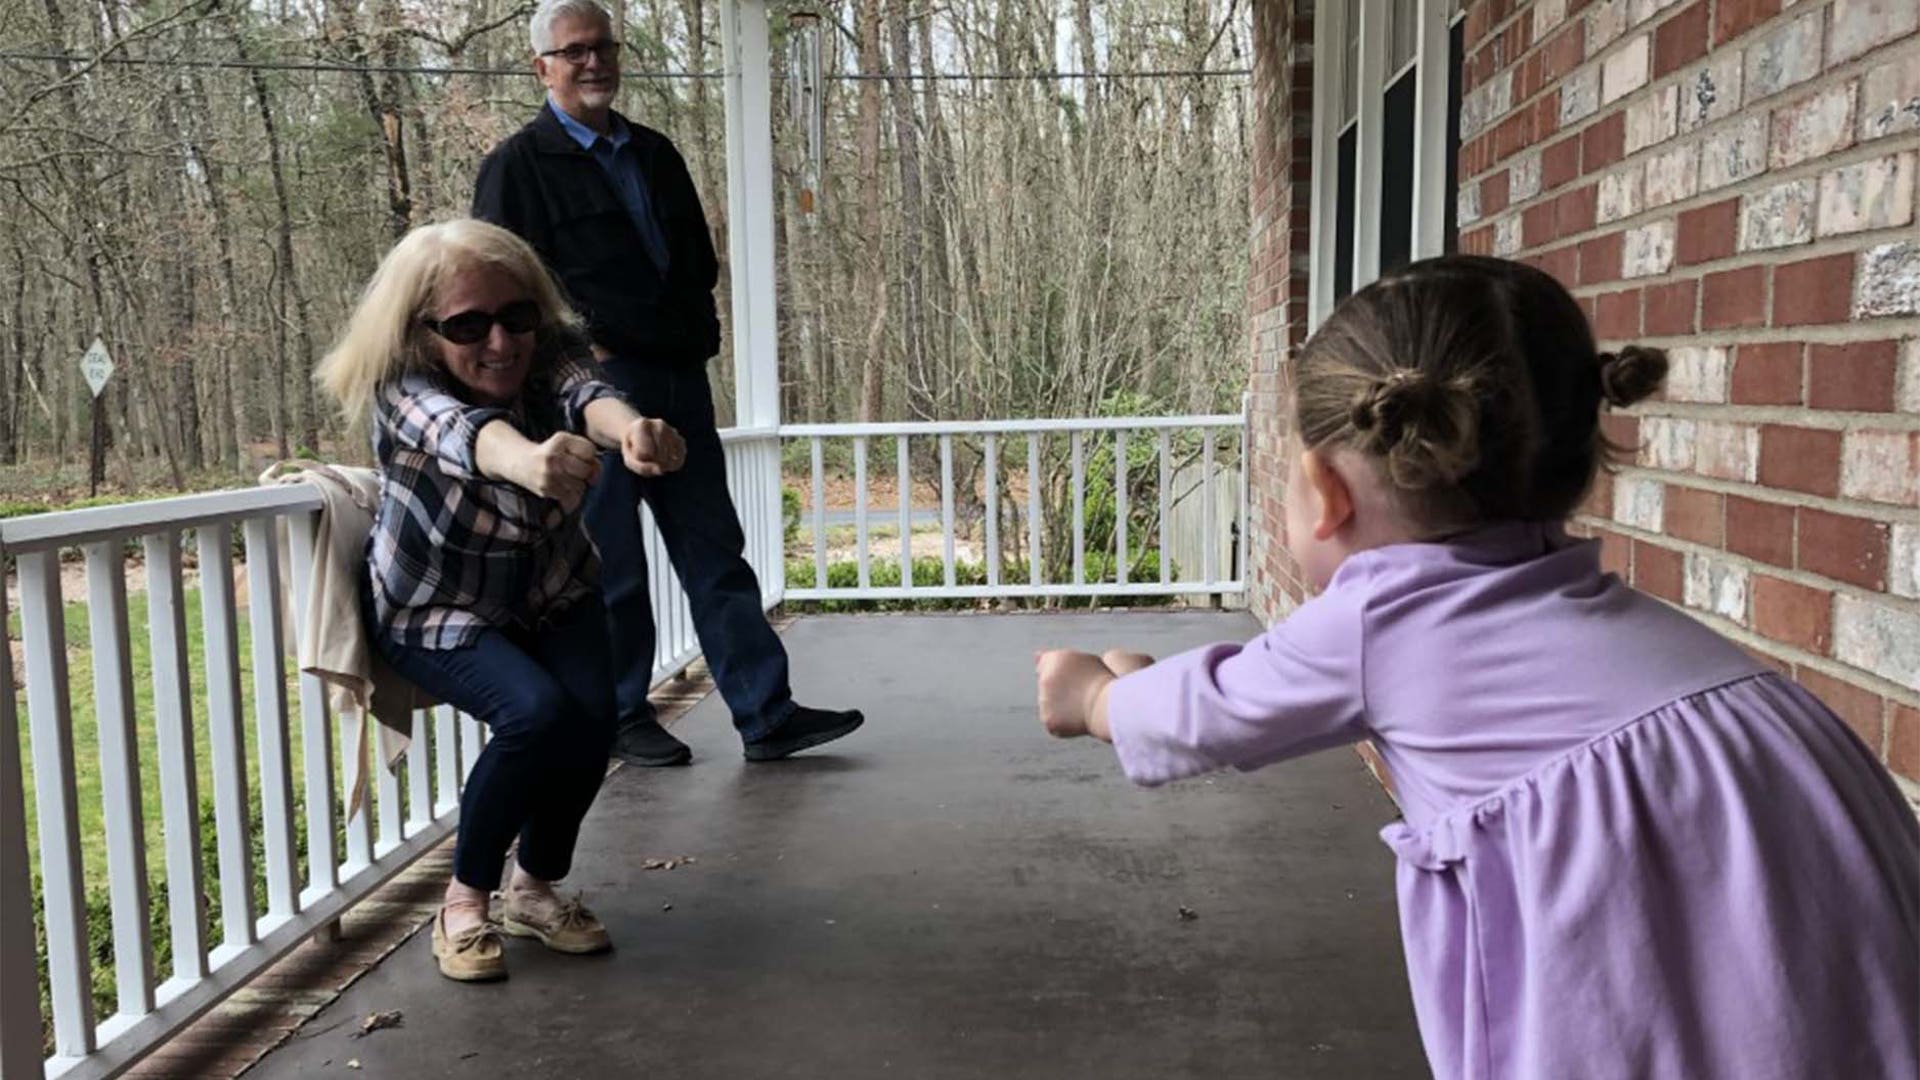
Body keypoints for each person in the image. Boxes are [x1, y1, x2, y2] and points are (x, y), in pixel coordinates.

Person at [1034, 255, 1920, 1078]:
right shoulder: (1604, 614)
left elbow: (1210, 713)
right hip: (1819, 832)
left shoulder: (1385, 614)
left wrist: (1099, 694)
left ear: (1328, 493)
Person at [473, 0, 862, 767]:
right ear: (541, 66)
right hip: (594, 392)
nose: (595, 62)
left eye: (604, 46)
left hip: (680, 380)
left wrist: (702, 336)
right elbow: (504, 284)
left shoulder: (654, 153)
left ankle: (765, 712)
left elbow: (696, 261)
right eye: (576, 50)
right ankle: (624, 714)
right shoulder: (517, 168)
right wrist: (582, 352)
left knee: (716, 552)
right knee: (613, 562)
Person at [315, 218, 689, 982]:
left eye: (516, 316)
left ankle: (535, 890)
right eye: (467, 325)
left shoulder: (548, 357)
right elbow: (464, 434)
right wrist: (527, 460)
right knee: (534, 715)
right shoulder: (402, 389)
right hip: (435, 609)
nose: (499, 342)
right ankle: (462, 902)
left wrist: (635, 434)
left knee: (595, 721)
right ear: (422, 334)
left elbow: (590, 394)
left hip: (553, 593)